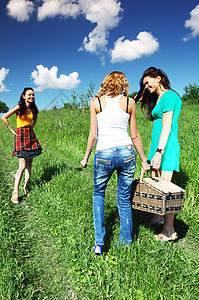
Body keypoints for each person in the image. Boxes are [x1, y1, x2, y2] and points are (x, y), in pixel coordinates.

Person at [81, 71, 150, 255]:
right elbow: (134, 135)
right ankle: (126, 242)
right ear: (123, 84)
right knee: (124, 198)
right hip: (126, 152)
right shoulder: (129, 103)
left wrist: (86, 157)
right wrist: (144, 160)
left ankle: (99, 243)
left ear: (106, 82)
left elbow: (93, 134)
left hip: (104, 153)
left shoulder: (96, 101)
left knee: (98, 194)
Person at [135, 66, 183, 242]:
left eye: (148, 83)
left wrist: (159, 152)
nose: (146, 87)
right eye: (144, 85)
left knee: (166, 189)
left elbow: (167, 126)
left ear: (158, 79)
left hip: (166, 146)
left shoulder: (169, 96)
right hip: (157, 146)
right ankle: (158, 217)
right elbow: (140, 101)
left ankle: (169, 230)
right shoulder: (159, 98)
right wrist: (142, 93)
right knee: (156, 185)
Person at [1, 87, 42, 204]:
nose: (31, 97)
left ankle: (26, 187)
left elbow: (34, 120)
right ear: (23, 96)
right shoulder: (19, 108)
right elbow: (4, 117)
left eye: (33, 95)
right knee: (22, 166)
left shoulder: (33, 109)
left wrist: (31, 128)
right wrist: (11, 130)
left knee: (29, 164)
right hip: (21, 137)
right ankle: (15, 192)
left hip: (30, 136)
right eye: (29, 95)